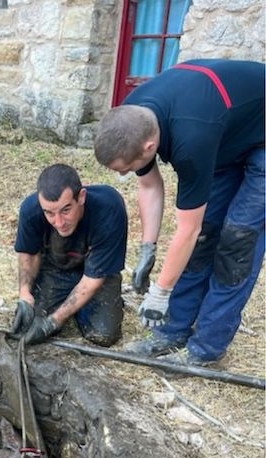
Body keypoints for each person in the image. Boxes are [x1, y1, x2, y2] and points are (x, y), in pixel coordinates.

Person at [93, 59, 265, 366]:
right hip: (228, 132)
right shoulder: (133, 116)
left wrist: (161, 291)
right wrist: (149, 247)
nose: (125, 175)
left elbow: (188, 230)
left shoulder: (191, 141)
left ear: (149, 147)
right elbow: (149, 186)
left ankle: (206, 348)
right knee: (205, 239)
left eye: (127, 168)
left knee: (238, 241)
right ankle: (173, 331)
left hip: (250, 133)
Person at [9, 164, 128, 347]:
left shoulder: (109, 209)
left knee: (103, 335)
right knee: (29, 324)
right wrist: (24, 294)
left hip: (98, 273)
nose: (59, 222)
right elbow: (29, 255)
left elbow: (92, 280)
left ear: (81, 197)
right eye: (49, 213)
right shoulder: (31, 210)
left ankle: (89, 306)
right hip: (57, 268)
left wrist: (53, 322)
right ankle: (71, 302)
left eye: (66, 210)